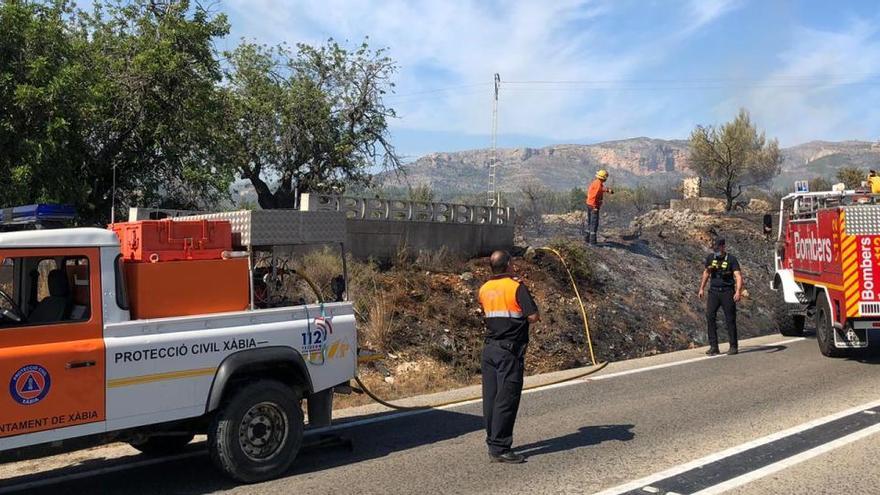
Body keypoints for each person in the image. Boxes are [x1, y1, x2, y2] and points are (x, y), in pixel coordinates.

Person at [478, 251, 540, 464]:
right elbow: (533, 317)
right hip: (509, 351)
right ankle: (501, 448)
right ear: (509, 265)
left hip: (489, 349)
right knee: (507, 398)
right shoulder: (516, 287)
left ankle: (492, 442)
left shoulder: (484, 289)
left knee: (491, 398)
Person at [698, 238, 743, 355]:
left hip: (727, 292)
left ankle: (733, 346)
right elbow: (706, 273)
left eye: (718, 248)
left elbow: (738, 276)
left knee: (730, 319)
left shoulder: (731, 259)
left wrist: (738, 291)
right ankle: (714, 346)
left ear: (723, 247)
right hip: (713, 292)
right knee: (710, 316)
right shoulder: (710, 258)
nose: (716, 251)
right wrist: (701, 288)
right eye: (715, 249)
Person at [585, 169, 613, 245]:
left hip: (589, 204)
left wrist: (607, 190)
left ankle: (587, 239)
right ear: (604, 178)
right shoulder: (598, 184)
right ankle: (592, 242)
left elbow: (600, 189)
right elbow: (594, 195)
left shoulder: (597, 182)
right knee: (594, 223)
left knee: (590, 222)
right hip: (593, 206)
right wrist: (595, 207)